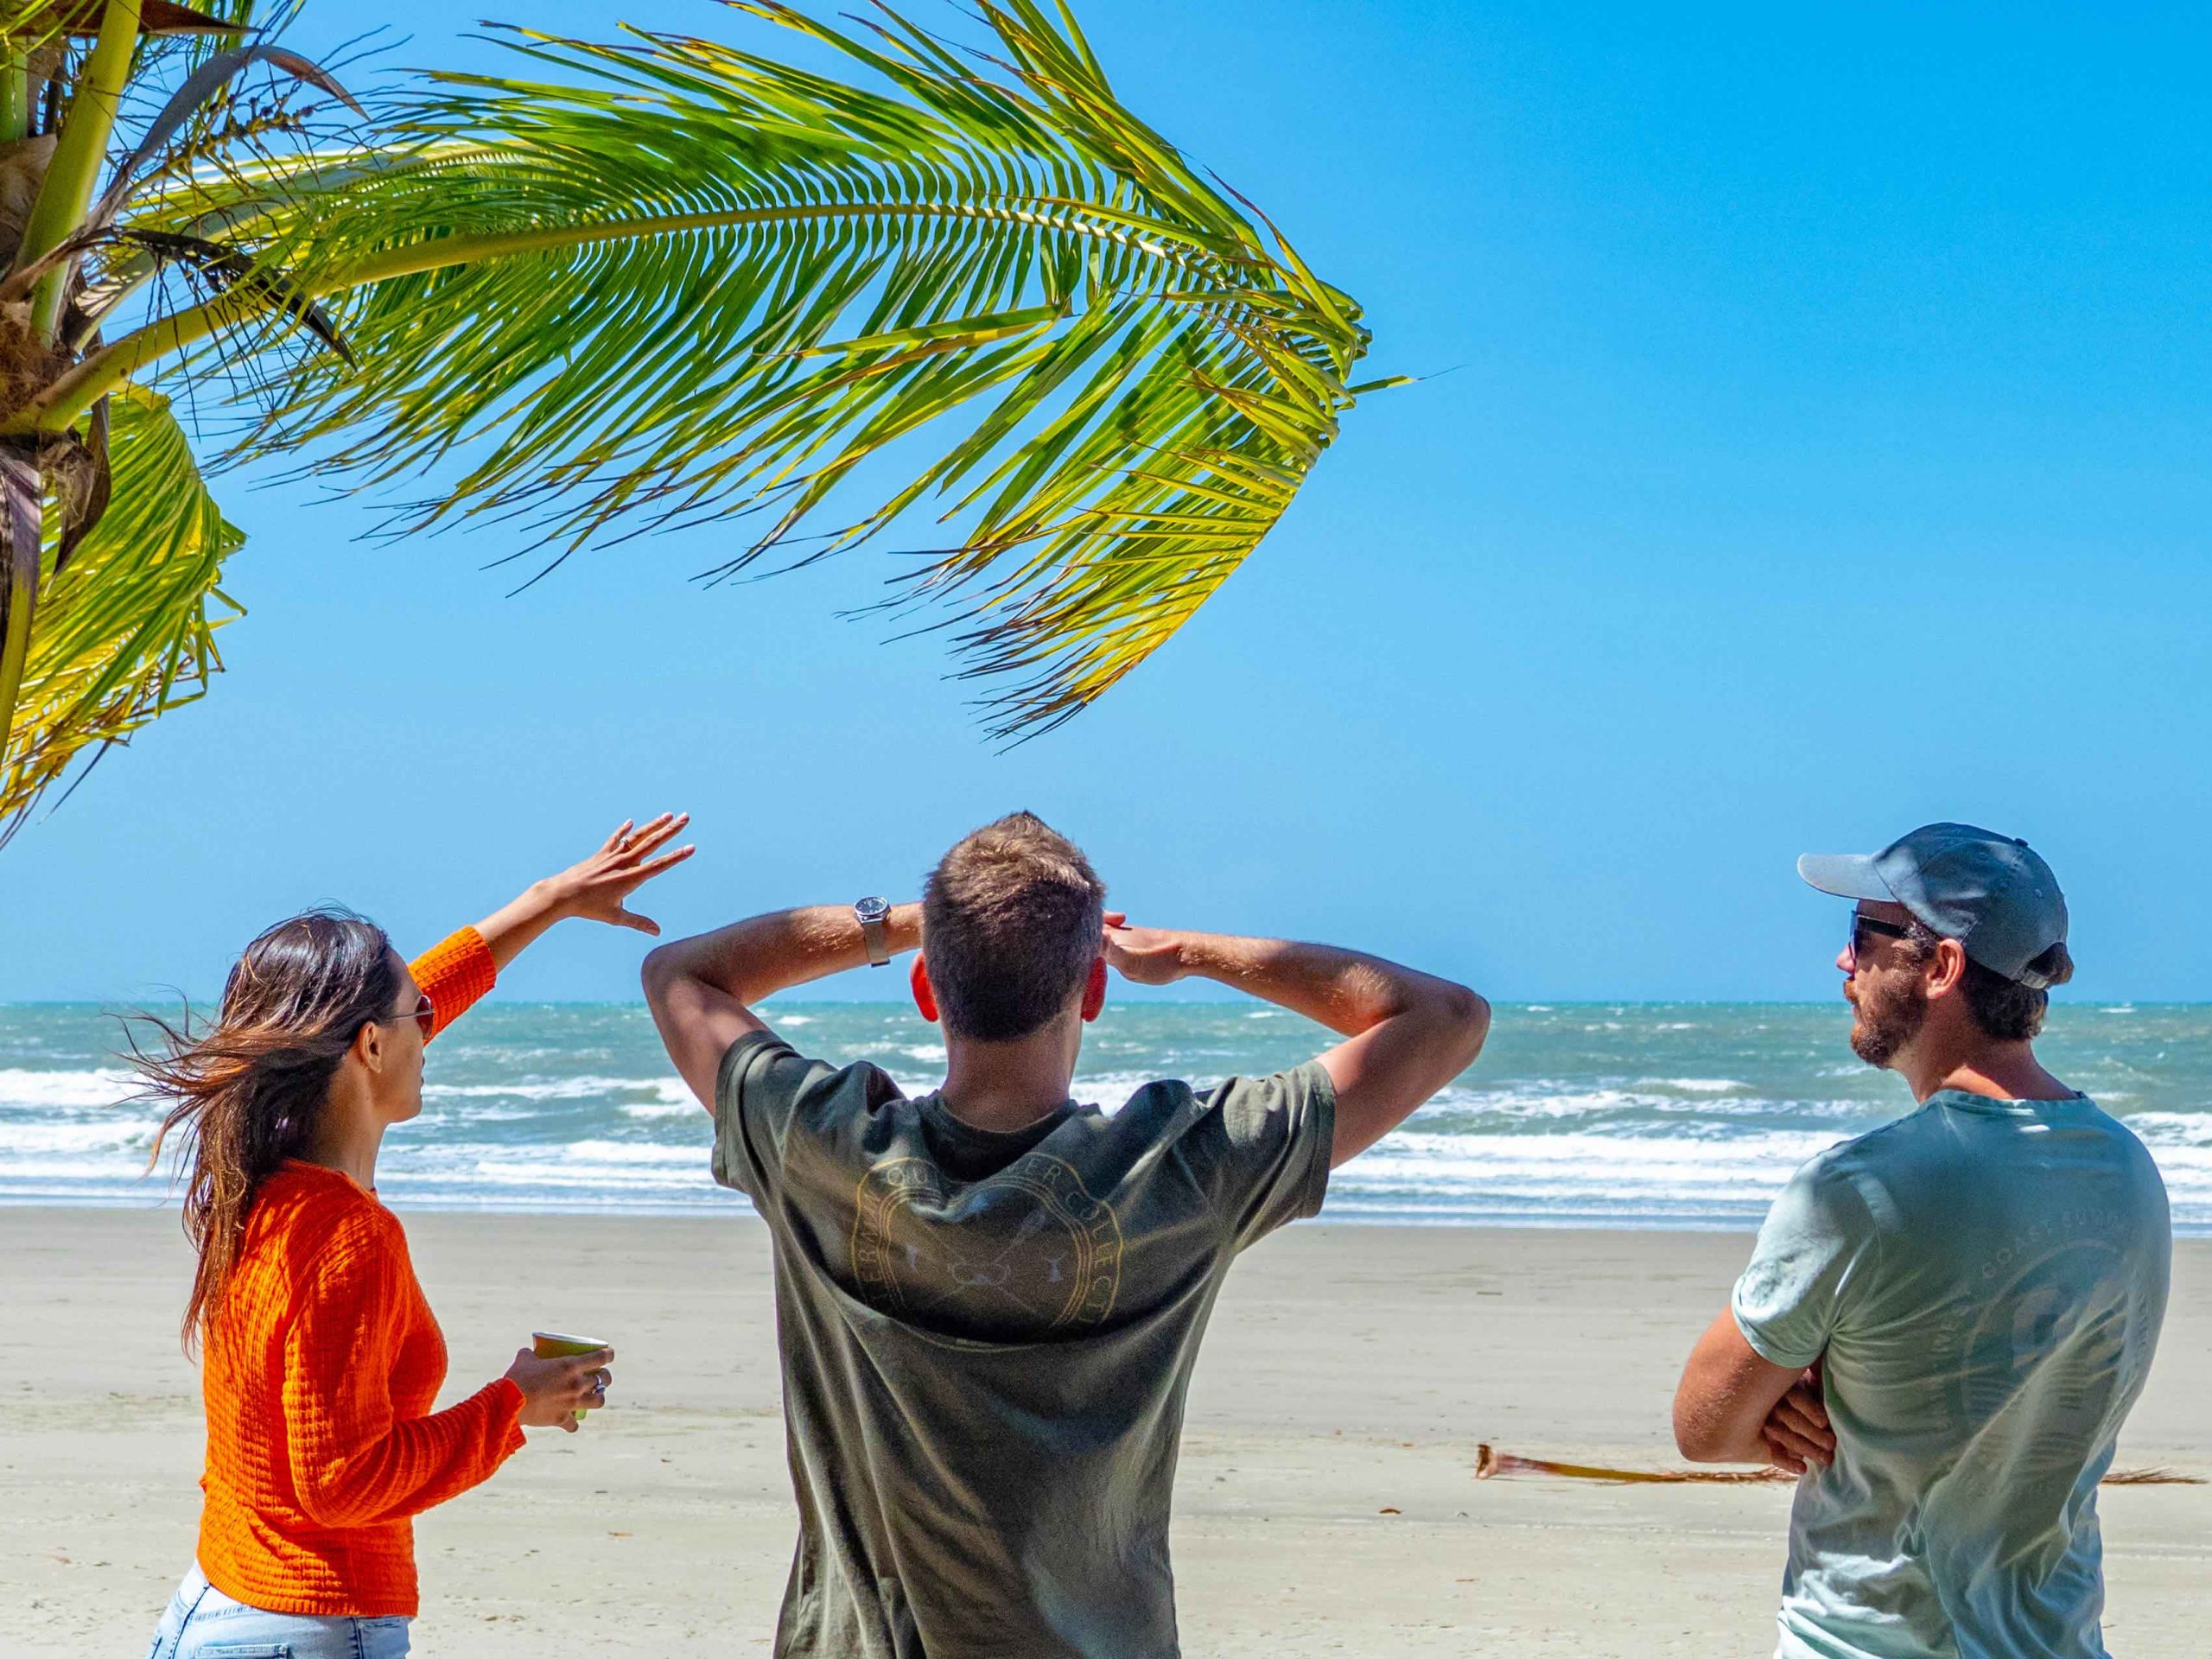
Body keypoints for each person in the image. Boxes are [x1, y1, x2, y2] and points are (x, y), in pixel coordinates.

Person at [642, 810, 1488, 1658]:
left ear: (927, 987)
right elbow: (1444, 1016)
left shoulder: (815, 1143)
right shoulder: (1181, 1168)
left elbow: (681, 973)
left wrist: (905, 925)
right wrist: (1187, 953)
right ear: (1092, 990)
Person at [134, 815, 693, 1659]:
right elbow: (340, 1483)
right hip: (307, 1627)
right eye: (415, 1018)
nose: (429, 1031)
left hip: (218, 1601)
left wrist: (548, 903)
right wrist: (515, 1404)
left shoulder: (259, 1182)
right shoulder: (346, 1236)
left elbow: (400, 1002)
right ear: (368, 1046)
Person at [1672, 823, 2171, 1659]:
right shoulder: (2129, 1173)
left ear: (1940, 968)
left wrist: (1790, 1396)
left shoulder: (1861, 1193)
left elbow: (1701, 1424)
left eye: (1863, 937)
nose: (1843, 963)